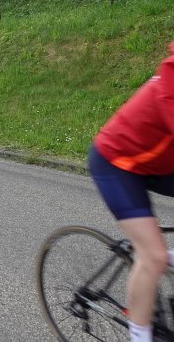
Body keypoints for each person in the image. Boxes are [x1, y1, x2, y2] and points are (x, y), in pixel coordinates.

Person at [88, 42, 174, 342]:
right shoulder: (172, 77)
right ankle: (140, 335)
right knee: (153, 256)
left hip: (159, 163)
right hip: (117, 163)